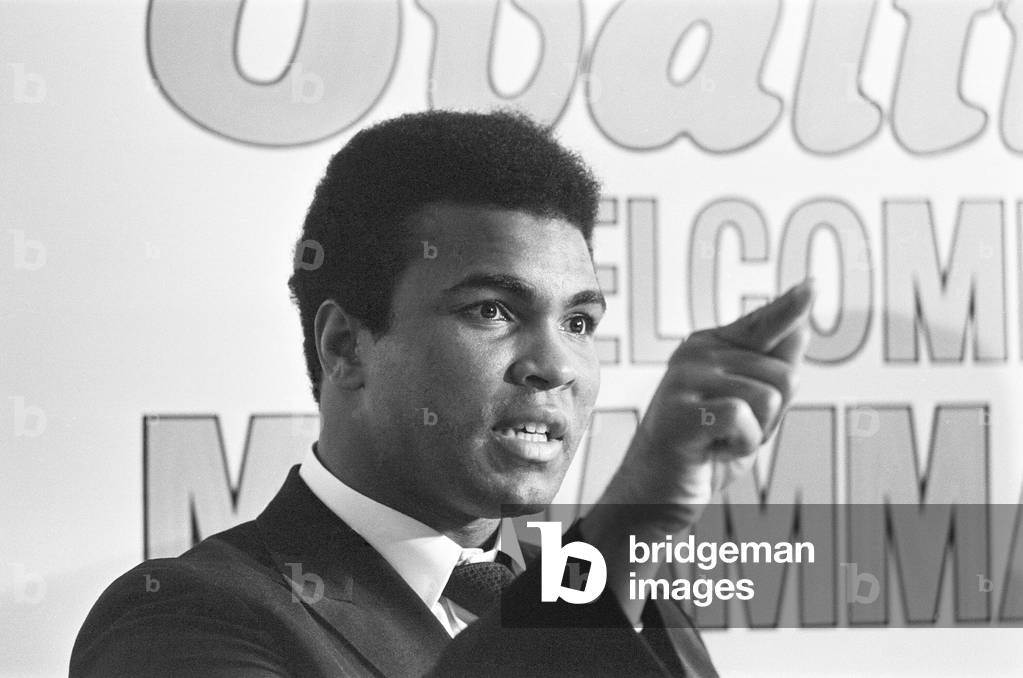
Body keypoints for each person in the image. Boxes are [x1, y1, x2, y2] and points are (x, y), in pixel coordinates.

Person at [70, 110, 813, 677]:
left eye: (580, 320)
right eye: (491, 311)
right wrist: (629, 523)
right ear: (345, 345)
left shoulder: (623, 604)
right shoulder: (180, 618)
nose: (555, 363)